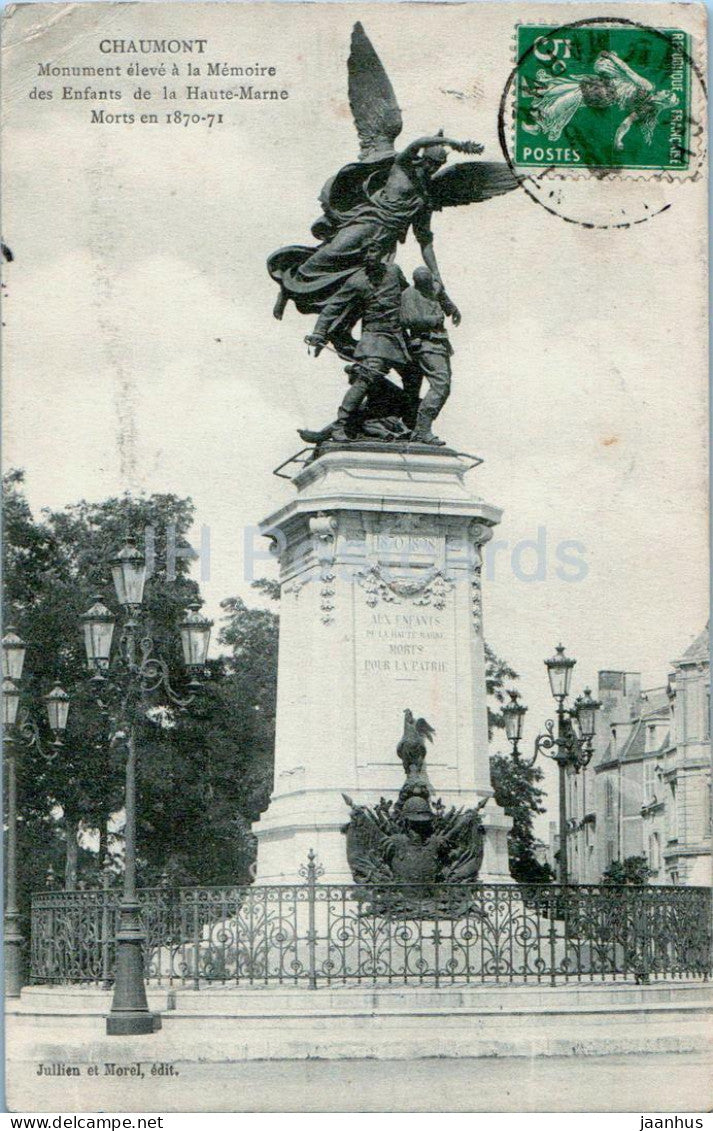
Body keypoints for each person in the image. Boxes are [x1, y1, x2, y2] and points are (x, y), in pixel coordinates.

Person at [268, 134, 482, 343]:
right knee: (327, 256)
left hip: (383, 244)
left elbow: (424, 240)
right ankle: (286, 289)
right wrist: (454, 143)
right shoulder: (402, 168)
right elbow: (417, 143)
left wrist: (436, 273)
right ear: (422, 158)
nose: (432, 168)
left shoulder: (425, 199)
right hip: (366, 224)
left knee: (366, 285)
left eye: (437, 166)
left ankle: (339, 331)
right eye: (429, 162)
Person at [305, 242, 419, 443]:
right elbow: (334, 307)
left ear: (383, 253)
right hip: (374, 338)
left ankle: (410, 424)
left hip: (398, 337)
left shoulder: (394, 271)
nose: (368, 255)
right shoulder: (356, 281)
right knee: (366, 378)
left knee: (414, 374)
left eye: (373, 251)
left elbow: (409, 294)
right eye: (364, 251)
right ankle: (340, 425)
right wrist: (318, 332)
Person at [400, 266, 459, 445]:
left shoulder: (434, 287)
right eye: (422, 284)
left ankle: (417, 428)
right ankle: (422, 430)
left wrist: (453, 309)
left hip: (440, 343)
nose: (428, 288)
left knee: (442, 385)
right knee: (441, 385)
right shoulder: (409, 294)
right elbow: (407, 320)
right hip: (424, 344)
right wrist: (433, 319)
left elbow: (442, 295)